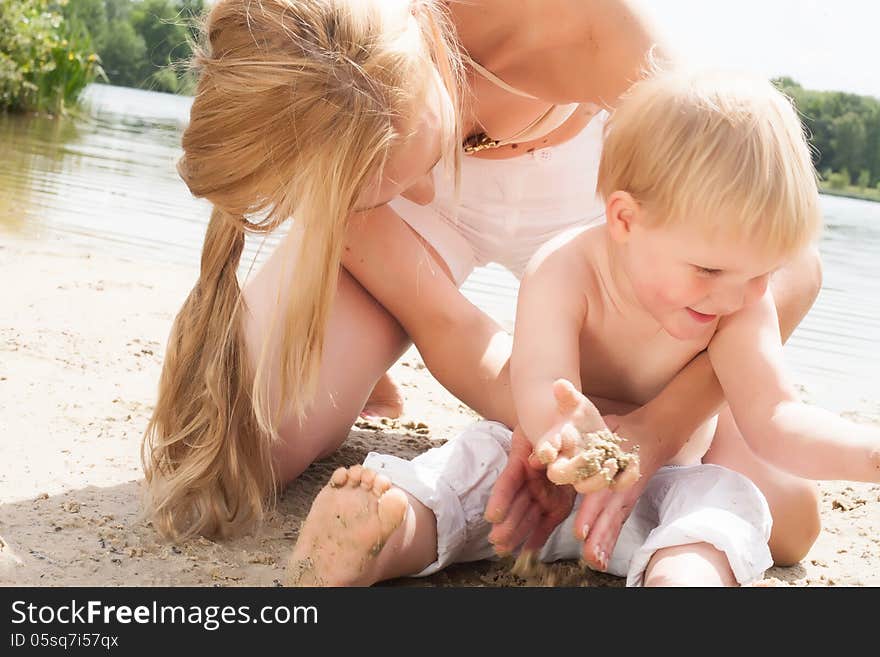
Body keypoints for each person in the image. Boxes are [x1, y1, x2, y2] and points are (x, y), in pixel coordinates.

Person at [142, 0, 823, 573]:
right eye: (377, 187)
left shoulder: (591, 27)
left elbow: (793, 267)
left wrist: (654, 426)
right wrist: (546, 421)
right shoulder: (334, 115)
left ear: (411, 62)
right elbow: (449, 324)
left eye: (412, 161)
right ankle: (361, 363)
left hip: (593, 198)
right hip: (405, 225)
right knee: (245, 445)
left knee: (776, 502)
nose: (424, 187)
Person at [287, 68, 880, 587]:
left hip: (665, 483)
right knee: (462, 475)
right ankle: (379, 536)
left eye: (762, 274)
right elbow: (545, 390)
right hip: (538, 481)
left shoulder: (741, 301)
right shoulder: (565, 269)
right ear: (625, 219)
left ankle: (683, 577)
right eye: (708, 269)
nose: (736, 295)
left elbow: (776, 421)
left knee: (721, 506)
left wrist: (868, 455)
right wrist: (572, 443)